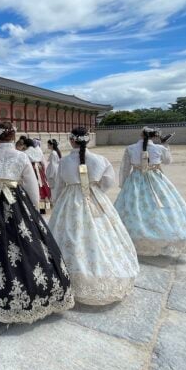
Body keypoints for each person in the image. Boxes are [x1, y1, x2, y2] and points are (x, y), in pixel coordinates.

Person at [0, 121, 74, 323]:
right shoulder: (21, 156)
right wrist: (33, 212)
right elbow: (32, 187)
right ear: (14, 136)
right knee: (25, 243)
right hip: (16, 202)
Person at [48, 127, 139, 305]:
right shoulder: (100, 159)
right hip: (95, 197)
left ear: (71, 140)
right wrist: (97, 192)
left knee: (69, 235)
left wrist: (56, 201)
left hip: (69, 201)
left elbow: (58, 186)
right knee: (101, 235)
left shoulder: (64, 161)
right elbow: (108, 181)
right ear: (87, 140)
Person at [114, 126, 186, 256]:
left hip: (135, 181)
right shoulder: (159, 148)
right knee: (160, 207)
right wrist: (165, 145)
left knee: (135, 208)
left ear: (141, 134)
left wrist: (124, 185)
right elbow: (168, 161)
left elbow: (125, 168)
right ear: (155, 136)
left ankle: (134, 238)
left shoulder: (130, 149)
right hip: (156, 180)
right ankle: (162, 237)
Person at [24, 138, 51, 214]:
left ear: (26, 145)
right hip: (39, 169)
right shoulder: (38, 150)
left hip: (33, 170)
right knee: (43, 188)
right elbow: (42, 161)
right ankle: (45, 208)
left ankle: (37, 208)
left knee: (37, 188)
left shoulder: (26, 152)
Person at [46, 139, 62, 205]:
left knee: (53, 187)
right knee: (56, 186)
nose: (47, 145)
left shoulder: (53, 153)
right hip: (56, 169)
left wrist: (51, 175)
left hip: (53, 170)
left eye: (48, 144)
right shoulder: (56, 152)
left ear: (52, 145)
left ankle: (54, 201)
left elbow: (52, 164)